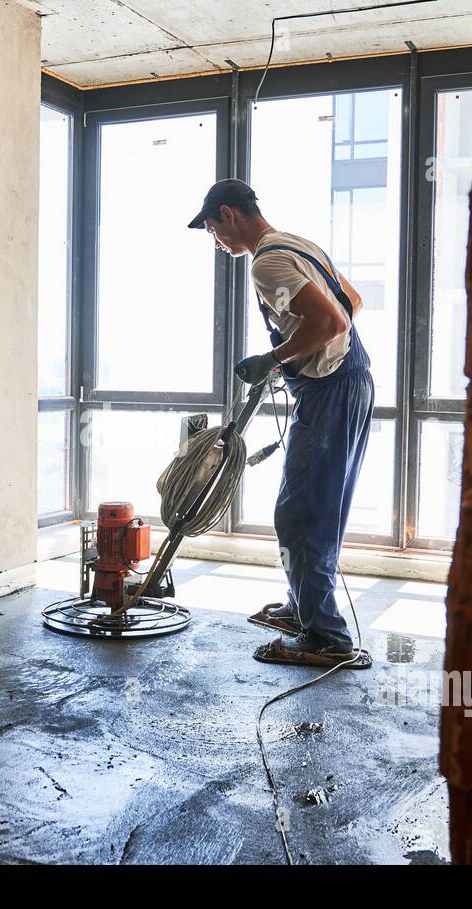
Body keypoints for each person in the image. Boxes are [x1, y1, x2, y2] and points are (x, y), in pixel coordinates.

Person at [187, 178, 375, 668]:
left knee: (301, 514)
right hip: (347, 381)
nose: (216, 241)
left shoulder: (267, 262)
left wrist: (275, 357)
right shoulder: (299, 244)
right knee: (315, 507)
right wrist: (301, 351)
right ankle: (303, 609)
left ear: (228, 215)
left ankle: (326, 637)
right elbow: (350, 302)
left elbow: (332, 322)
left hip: (330, 391)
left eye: (212, 229)